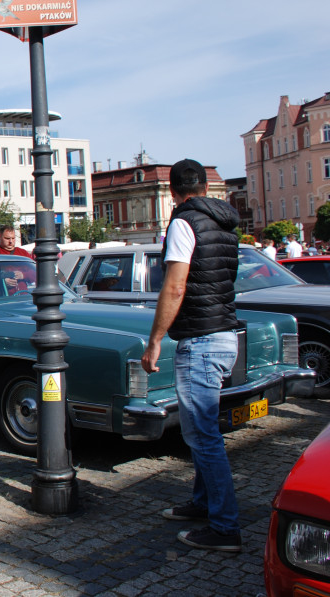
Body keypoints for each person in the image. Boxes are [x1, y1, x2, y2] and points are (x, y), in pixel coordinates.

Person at [142, 158, 242, 553]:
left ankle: (225, 528)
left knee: (203, 437)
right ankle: (203, 504)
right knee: (205, 431)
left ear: (173, 192)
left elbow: (175, 286)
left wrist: (154, 341)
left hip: (201, 340)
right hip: (224, 334)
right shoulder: (225, 223)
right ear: (204, 188)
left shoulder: (184, 222)